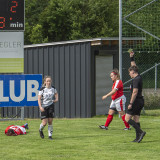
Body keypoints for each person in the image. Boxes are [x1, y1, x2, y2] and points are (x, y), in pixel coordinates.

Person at [125, 50, 146, 143]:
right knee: (136, 119)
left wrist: (130, 103)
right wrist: (131, 57)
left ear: (133, 72)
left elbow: (135, 92)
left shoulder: (135, 80)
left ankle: (141, 132)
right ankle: (138, 138)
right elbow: (134, 66)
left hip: (136, 101)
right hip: (141, 101)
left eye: (130, 72)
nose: (129, 74)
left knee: (127, 119)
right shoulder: (139, 76)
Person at [38, 75, 58, 140]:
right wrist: (40, 107)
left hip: (51, 106)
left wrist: (56, 99)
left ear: (51, 81)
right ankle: (40, 130)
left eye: (49, 81)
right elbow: (39, 98)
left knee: (50, 121)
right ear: (45, 82)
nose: (48, 82)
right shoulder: (42, 89)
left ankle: (50, 136)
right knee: (44, 123)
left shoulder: (53, 88)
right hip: (44, 106)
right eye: (47, 81)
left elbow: (56, 93)